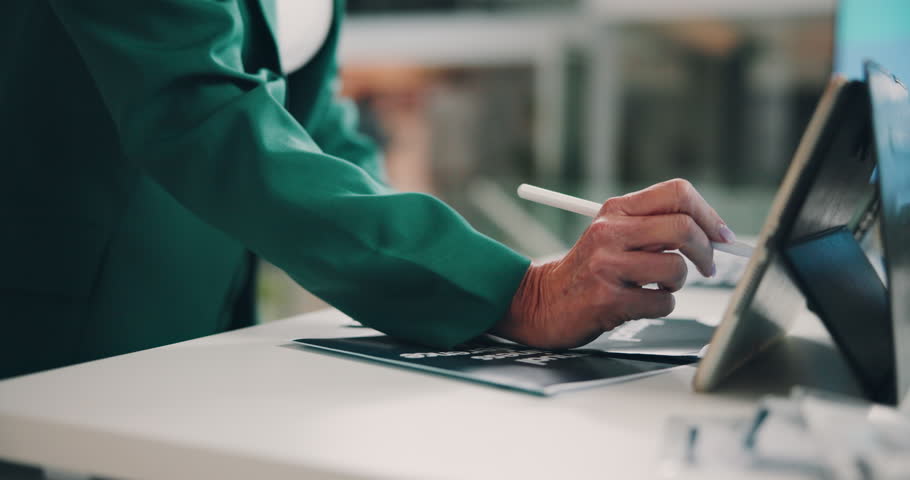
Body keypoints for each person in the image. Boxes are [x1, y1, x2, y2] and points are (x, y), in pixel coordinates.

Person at [0, 0, 736, 380]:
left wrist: (460, 270)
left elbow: (312, 126)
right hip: (67, 332)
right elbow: (201, 114)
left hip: (196, 323)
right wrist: (512, 292)